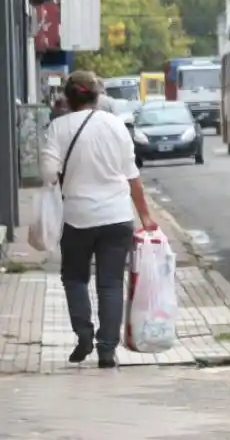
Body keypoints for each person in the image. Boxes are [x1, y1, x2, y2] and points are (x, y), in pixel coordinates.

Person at [40, 71, 157, 369]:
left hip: (77, 218)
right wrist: (145, 215)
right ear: (97, 96)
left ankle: (83, 335)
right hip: (117, 217)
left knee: (75, 278)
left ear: (66, 98)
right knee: (111, 283)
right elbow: (132, 177)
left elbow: (47, 174)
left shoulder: (58, 128)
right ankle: (107, 350)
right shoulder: (116, 125)